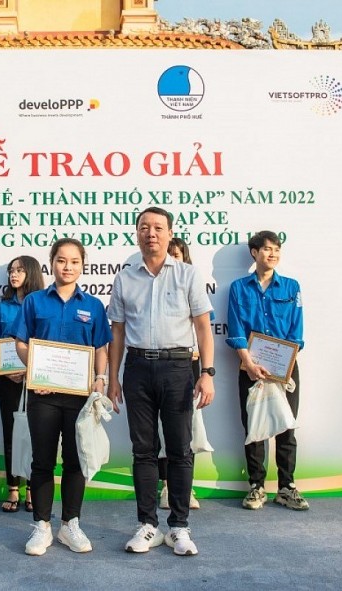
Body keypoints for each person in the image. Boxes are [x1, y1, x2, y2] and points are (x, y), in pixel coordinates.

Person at [108, 206, 215, 557]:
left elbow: (203, 326)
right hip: (137, 370)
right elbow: (118, 332)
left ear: (170, 234)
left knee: (181, 450)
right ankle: (147, 525)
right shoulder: (125, 278)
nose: (151, 233)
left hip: (178, 369)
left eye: (158, 228)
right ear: (136, 234)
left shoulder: (187, 274)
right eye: (144, 227)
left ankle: (179, 527)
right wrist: (113, 378)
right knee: (143, 450)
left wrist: (207, 374)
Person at [11, 238, 112, 556]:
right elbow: (21, 342)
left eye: (74, 262)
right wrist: (35, 373)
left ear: (83, 266)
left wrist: (100, 378)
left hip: (80, 397)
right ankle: (41, 527)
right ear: (51, 263)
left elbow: (101, 347)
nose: (67, 267)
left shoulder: (93, 305)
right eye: (61, 260)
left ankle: (70, 525)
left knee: (75, 461)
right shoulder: (34, 302)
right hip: (43, 393)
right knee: (41, 461)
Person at [225, 230, 308, 511]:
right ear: (254, 253)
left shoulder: (291, 287)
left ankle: (287, 487)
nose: (272, 254)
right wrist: (249, 364)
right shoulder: (239, 288)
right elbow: (235, 330)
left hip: (286, 369)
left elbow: (296, 331)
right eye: (266, 249)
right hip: (250, 368)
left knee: (286, 427)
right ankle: (256, 487)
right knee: (255, 428)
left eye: (276, 249)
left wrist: (286, 367)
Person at [0, 255, 44, 513]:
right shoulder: (2, 308)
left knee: (37, 435)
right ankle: (13, 488)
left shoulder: (42, 305)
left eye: (19, 270)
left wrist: (35, 371)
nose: (13, 275)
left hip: (37, 379)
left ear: (30, 272)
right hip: (8, 380)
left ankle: (32, 489)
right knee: (11, 432)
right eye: (10, 271)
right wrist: (3, 370)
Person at [158, 238, 201, 512]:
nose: (174, 259)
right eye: (170, 254)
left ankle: (186, 486)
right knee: (162, 430)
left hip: (190, 365)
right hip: (161, 364)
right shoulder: (156, 285)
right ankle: (165, 486)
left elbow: (206, 327)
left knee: (187, 430)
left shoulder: (193, 284)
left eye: (179, 255)